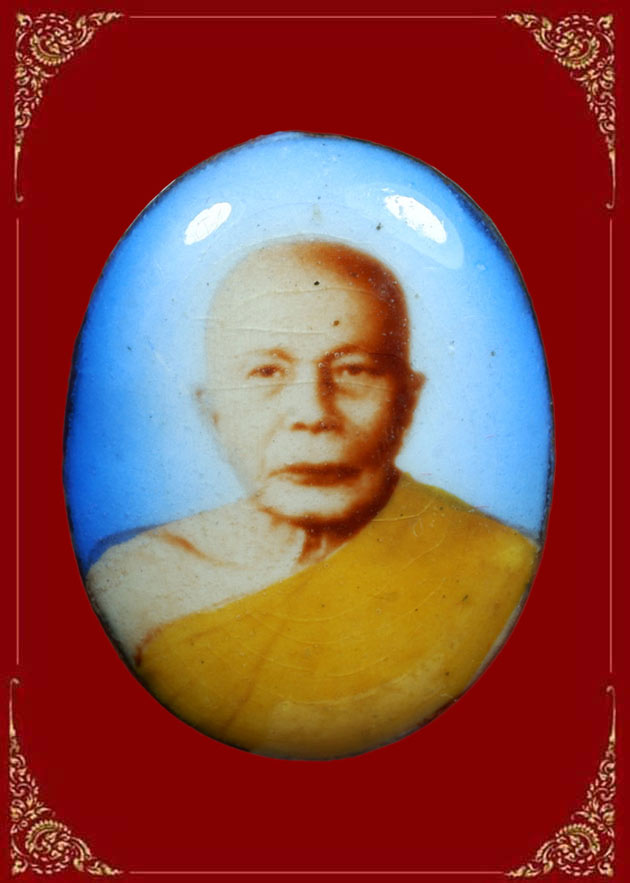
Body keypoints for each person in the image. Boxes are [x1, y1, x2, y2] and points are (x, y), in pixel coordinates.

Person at [87, 239, 538, 759]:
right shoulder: (137, 584)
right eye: (266, 373)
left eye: (354, 370)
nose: (313, 413)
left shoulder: (501, 571)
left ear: (407, 402)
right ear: (214, 415)